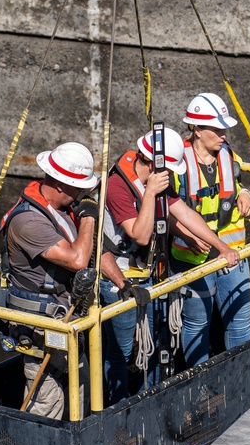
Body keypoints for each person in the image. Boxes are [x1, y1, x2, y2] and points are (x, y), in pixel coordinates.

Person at [102, 126, 240, 400]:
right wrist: (151, 193)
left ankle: (149, 400)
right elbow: (140, 235)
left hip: (147, 275)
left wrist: (221, 247)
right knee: (122, 351)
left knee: (152, 342)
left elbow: (184, 213)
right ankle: (114, 410)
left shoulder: (156, 180)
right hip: (117, 280)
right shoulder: (118, 186)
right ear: (152, 164)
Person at [0, 141, 100, 419]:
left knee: (79, 392)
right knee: (46, 401)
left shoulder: (62, 208)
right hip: (41, 326)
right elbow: (78, 259)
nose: (83, 194)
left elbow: (93, 253)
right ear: (60, 185)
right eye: (80, 188)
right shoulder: (29, 222)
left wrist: (125, 286)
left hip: (66, 319)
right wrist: (89, 218)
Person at [171, 93, 250, 367]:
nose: (223, 135)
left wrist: (245, 192)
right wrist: (186, 235)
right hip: (195, 260)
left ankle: (243, 379)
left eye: (225, 129)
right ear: (196, 129)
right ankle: (200, 388)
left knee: (240, 324)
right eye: (217, 129)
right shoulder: (177, 164)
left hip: (233, 254)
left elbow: (235, 182)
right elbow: (167, 210)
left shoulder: (229, 155)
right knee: (197, 325)